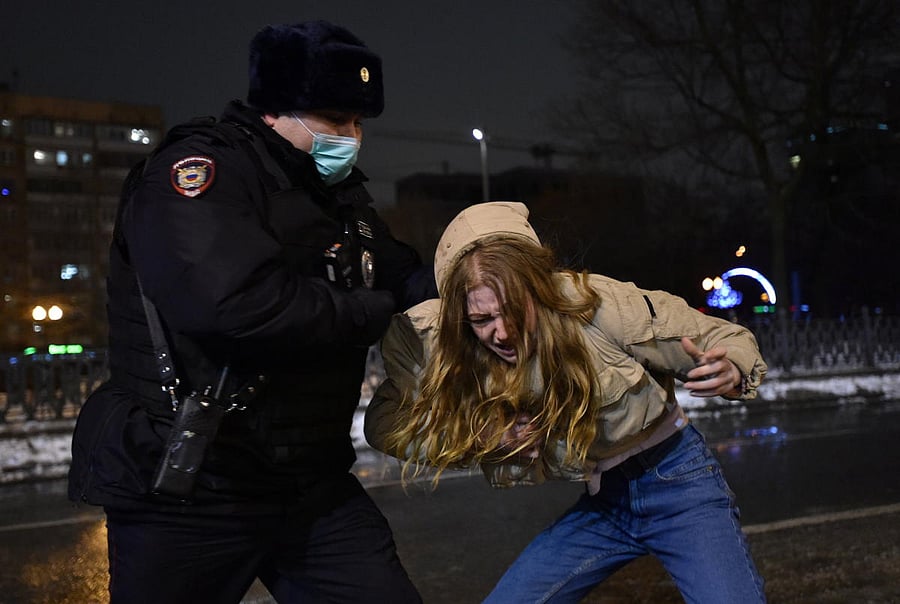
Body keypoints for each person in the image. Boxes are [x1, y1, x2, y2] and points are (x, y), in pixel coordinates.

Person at [68, 21, 433, 604]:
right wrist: (374, 310)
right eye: (336, 120)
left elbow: (400, 273)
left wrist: (475, 285)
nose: (352, 138)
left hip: (309, 486)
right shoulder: (197, 173)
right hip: (192, 489)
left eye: (359, 122)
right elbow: (234, 306)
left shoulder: (339, 199)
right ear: (275, 109)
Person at [365, 201, 769, 603]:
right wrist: (482, 437)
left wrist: (732, 366)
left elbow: (721, 337)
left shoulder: (598, 306)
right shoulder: (452, 348)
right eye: (483, 320)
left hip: (677, 482)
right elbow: (385, 422)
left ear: (537, 287)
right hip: (604, 502)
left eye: (511, 311)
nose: (502, 333)